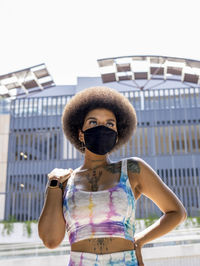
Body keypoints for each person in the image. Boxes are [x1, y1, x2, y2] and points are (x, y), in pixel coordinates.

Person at [38, 86, 187, 266]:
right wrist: (53, 184)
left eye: (110, 124)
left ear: (117, 135)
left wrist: (139, 240)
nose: (102, 128)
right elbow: (50, 240)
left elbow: (176, 213)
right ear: (80, 134)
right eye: (93, 122)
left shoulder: (132, 169)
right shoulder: (64, 181)